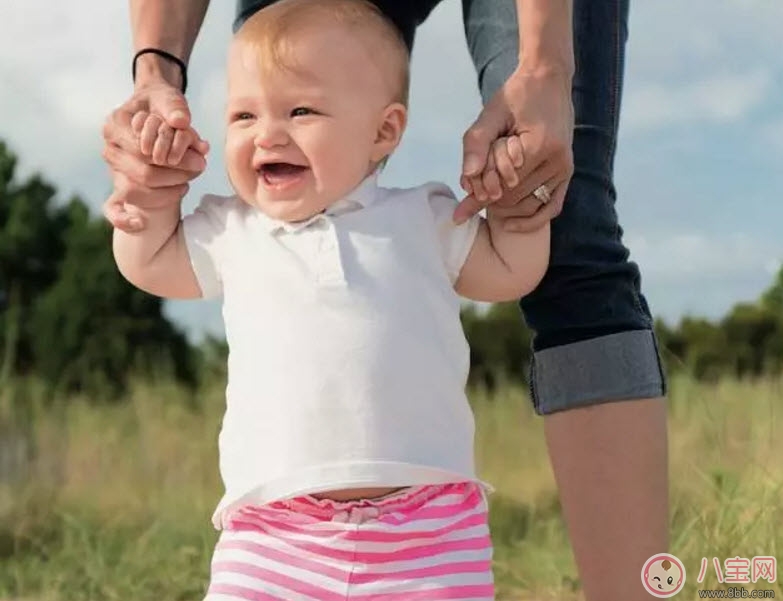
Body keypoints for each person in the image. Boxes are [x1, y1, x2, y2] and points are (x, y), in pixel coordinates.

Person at [102, 1, 669, 599]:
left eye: (301, 111)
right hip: (272, 540)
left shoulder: (424, 216)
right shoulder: (231, 229)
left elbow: (510, 272)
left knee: (563, 207)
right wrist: (149, 194)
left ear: (385, 131)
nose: (267, 132)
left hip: (426, 536)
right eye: (242, 115)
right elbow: (151, 263)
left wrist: (515, 208)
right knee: (296, 46)